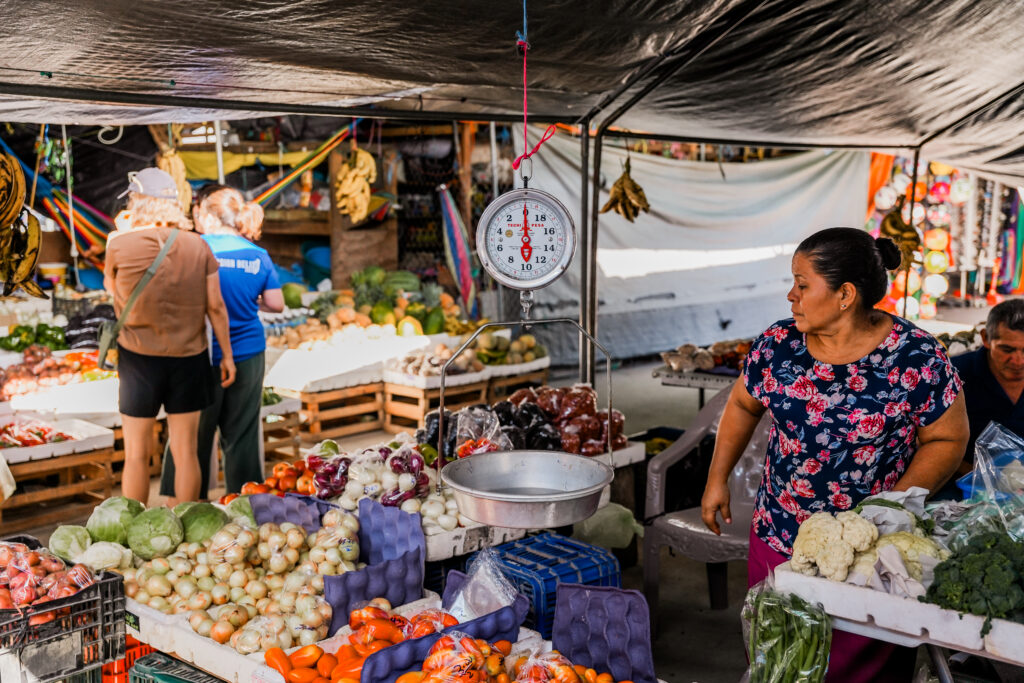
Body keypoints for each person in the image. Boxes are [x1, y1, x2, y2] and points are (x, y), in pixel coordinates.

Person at [700, 227, 968, 683]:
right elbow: (744, 403)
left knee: (860, 668)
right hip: (781, 533)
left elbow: (947, 439)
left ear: (845, 294)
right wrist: (716, 477)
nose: (791, 295)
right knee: (780, 657)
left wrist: (892, 505)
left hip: (873, 550)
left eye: (803, 284)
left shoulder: (917, 357)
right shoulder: (778, 344)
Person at [104, 168, 236, 506]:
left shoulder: (118, 244)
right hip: (189, 357)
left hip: (138, 357)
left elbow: (110, 289)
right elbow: (216, 307)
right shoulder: (198, 246)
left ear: (137, 201)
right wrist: (228, 356)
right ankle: (185, 526)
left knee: (136, 453)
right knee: (185, 450)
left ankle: (133, 526)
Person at [159, 184, 283, 499]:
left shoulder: (193, 247)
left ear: (210, 217)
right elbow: (276, 303)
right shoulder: (258, 254)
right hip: (249, 351)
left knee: (192, 433)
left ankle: (188, 501)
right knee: (241, 433)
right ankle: (243, 502)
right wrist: (251, 302)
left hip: (199, 353)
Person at [950, 299, 1024, 469]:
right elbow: (930, 442)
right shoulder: (954, 375)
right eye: (1007, 349)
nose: (1018, 361)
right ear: (986, 338)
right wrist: (983, 480)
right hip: (964, 482)